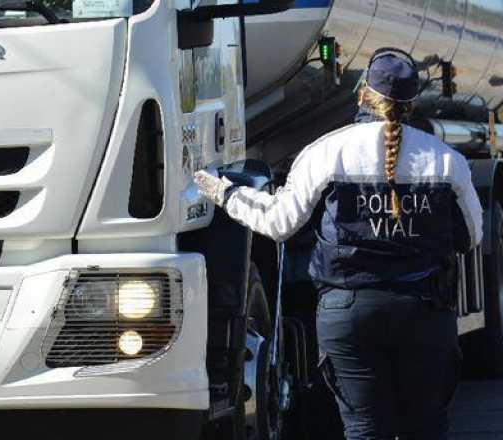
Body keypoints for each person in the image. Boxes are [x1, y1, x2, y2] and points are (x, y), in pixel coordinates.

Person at [193, 47, 483, 440]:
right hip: (424, 312)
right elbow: (471, 236)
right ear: (413, 104)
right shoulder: (447, 161)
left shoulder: (326, 151)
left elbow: (279, 223)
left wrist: (227, 195)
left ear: (362, 94)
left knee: (364, 429)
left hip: (349, 313)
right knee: (427, 427)